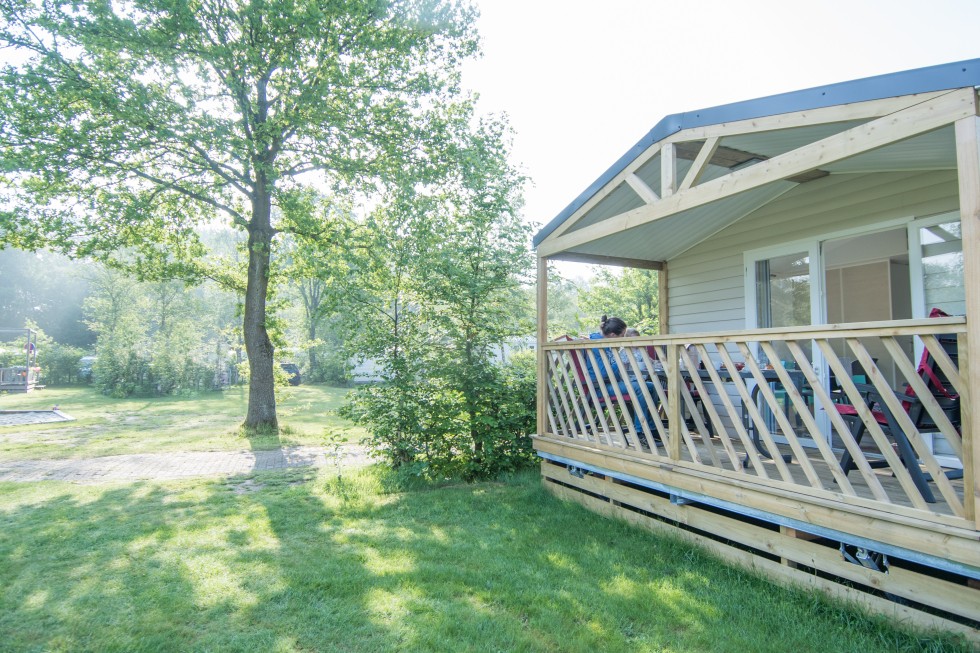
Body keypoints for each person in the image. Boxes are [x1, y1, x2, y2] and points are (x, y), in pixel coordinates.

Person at [585, 316, 660, 449]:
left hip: (613, 382)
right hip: (600, 386)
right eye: (623, 335)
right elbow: (602, 373)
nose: (624, 338)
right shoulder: (596, 344)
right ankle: (640, 432)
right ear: (613, 335)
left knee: (652, 387)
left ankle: (650, 427)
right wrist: (620, 362)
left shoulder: (608, 344)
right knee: (640, 387)